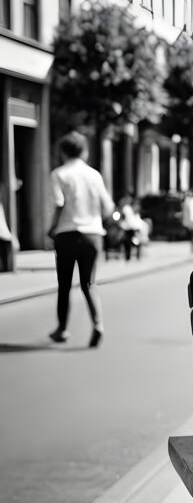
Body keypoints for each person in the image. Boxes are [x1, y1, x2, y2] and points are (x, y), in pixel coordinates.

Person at [48, 131, 114, 347]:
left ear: (63, 151)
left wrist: (52, 228)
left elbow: (59, 203)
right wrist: (95, 220)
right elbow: (108, 206)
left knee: (64, 284)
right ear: (84, 151)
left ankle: (62, 329)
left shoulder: (59, 174)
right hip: (92, 235)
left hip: (67, 233)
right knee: (89, 283)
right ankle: (98, 324)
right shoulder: (94, 175)